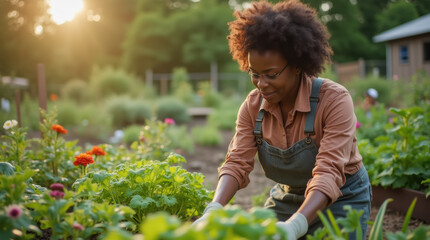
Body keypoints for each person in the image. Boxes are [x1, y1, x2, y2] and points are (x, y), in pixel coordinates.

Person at [193, 1, 371, 240]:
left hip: (341, 197)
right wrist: (213, 210)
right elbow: (237, 163)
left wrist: (295, 226)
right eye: (254, 74)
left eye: (271, 74)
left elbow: (329, 172)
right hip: (288, 197)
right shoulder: (253, 106)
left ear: (297, 66)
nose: (261, 83)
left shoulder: (334, 101)